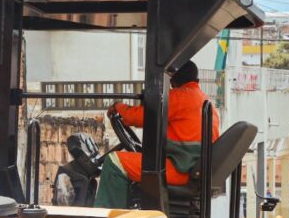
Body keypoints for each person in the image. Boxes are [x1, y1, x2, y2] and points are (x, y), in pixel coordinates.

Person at [93, 60, 220, 208]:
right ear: (196, 80)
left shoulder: (179, 97)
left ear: (174, 79)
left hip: (180, 170)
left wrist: (118, 107)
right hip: (191, 167)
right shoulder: (204, 100)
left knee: (114, 162)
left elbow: (141, 117)